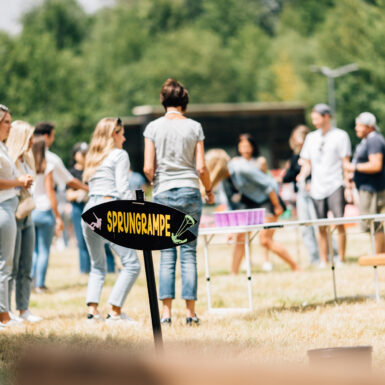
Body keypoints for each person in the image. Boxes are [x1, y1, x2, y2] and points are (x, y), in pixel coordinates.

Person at [143, 78, 214, 325]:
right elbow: (202, 166)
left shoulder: (152, 127)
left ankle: (165, 314)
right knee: (188, 253)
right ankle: (191, 313)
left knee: (166, 254)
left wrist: (154, 181)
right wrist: (209, 188)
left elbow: (148, 167)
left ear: (163, 101)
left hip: (163, 192)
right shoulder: (195, 127)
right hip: (189, 192)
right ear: (184, 101)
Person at [82, 117, 140, 323]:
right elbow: (123, 188)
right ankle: (115, 312)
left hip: (89, 210)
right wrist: (134, 213)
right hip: (109, 208)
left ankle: (92, 313)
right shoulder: (119, 155)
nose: (124, 138)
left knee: (97, 265)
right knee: (132, 264)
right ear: (113, 133)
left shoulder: (93, 157)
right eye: (122, 133)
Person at [227, 134, 299, 274]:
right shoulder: (235, 164)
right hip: (249, 202)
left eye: (248, 145)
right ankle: (233, 273)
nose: (245, 148)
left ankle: (294, 266)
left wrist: (277, 204)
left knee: (265, 239)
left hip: (267, 201)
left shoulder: (258, 162)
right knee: (241, 236)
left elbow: (267, 184)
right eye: (242, 146)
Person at [298, 104, 351, 266]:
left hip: (335, 184)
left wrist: (348, 185)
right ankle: (323, 259)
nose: (314, 121)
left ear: (326, 116)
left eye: (317, 118)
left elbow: (345, 163)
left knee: (339, 223)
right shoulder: (311, 137)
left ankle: (340, 258)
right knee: (321, 226)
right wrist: (302, 175)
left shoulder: (340, 136)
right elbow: (307, 163)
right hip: (317, 187)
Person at [0, 105, 34, 327]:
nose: (10, 126)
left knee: (7, 264)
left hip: (9, 206)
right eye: (6, 122)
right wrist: (19, 182)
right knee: (5, 265)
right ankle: (4, 316)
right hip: (4, 206)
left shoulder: (3, 148)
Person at [6, 121, 42, 322]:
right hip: (14, 213)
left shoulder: (26, 160)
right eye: (29, 137)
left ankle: (23, 308)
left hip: (28, 213)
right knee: (12, 265)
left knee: (26, 264)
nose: (32, 142)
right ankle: (7, 310)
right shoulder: (9, 161)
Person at [279, 125, 320, 265]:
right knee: (305, 227)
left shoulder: (314, 153)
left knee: (318, 225)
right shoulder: (295, 156)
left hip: (314, 191)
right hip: (301, 192)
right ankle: (314, 258)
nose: (298, 142)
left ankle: (329, 254)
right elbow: (290, 175)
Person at [345, 112, 385, 253]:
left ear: (369, 126)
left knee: (375, 223)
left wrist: (353, 167)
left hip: (373, 189)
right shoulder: (367, 141)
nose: (356, 128)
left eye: (359, 125)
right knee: (370, 223)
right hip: (366, 188)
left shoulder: (375, 141)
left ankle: (379, 255)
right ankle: (378, 253)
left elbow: (376, 165)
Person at [31, 136, 64, 292]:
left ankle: (30, 281)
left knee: (33, 250)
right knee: (44, 249)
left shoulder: (28, 165)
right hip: (44, 210)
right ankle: (40, 284)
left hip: (31, 210)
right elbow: (50, 191)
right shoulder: (47, 166)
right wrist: (57, 215)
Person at [33, 122, 88, 192]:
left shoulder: (27, 155)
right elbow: (69, 180)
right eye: (53, 136)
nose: (53, 139)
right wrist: (88, 189)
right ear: (46, 136)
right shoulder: (51, 158)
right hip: (46, 199)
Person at [66, 142, 91, 274]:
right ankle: (85, 270)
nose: (85, 156)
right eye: (83, 153)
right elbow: (69, 195)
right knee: (81, 240)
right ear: (76, 155)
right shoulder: (71, 173)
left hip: (92, 206)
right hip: (78, 208)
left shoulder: (92, 170)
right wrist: (81, 193)